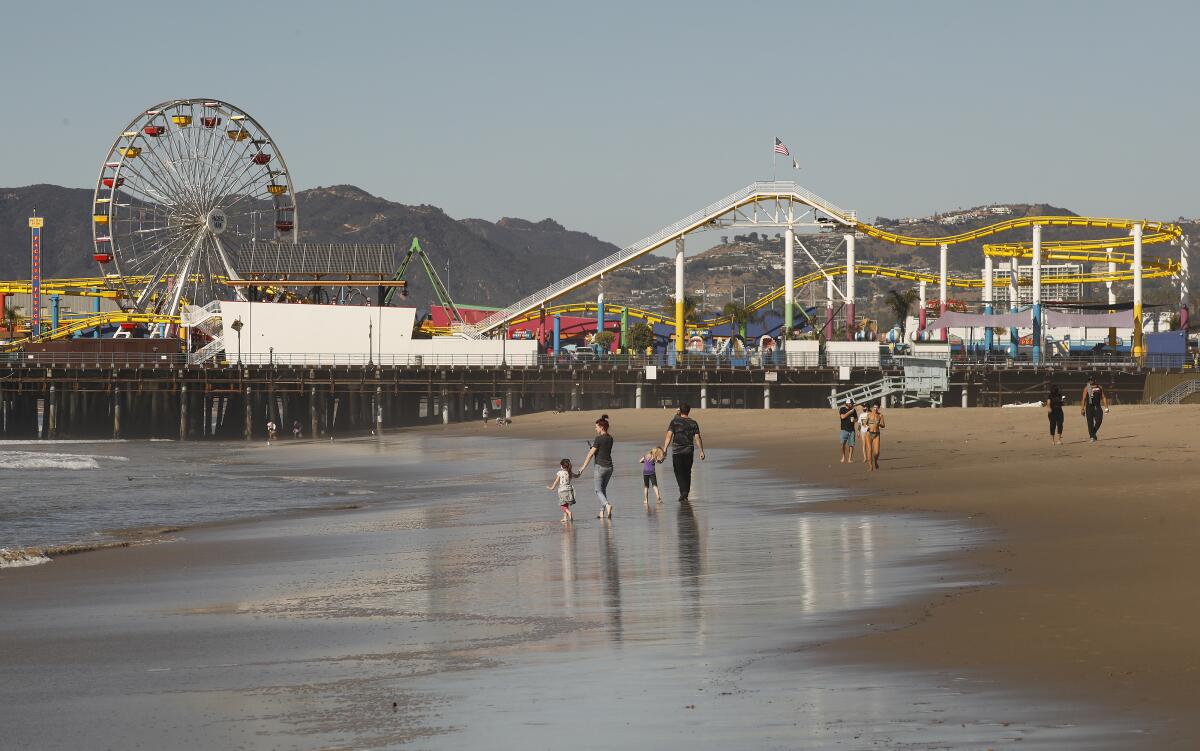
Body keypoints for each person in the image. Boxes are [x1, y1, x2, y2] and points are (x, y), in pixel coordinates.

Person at [662, 403, 705, 502]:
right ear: (689, 411)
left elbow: (669, 436)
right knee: (687, 472)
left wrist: (665, 448)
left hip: (677, 451)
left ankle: (683, 492)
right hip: (689, 451)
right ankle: (685, 493)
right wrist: (701, 451)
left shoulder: (674, 422)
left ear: (680, 411)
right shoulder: (693, 423)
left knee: (679, 472)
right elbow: (697, 437)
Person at [578, 414, 614, 518]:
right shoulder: (610, 438)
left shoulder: (598, 438)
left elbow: (590, 454)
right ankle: (602, 512)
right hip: (610, 467)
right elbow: (602, 451)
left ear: (601, 427)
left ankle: (607, 505)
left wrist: (583, 467)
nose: (595, 428)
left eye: (596, 426)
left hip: (600, 467)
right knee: (603, 490)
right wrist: (594, 450)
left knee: (598, 490)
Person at [547, 458, 580, 523]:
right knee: (566, 504)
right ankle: (565, 518)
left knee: (562, 505)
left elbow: (556, 481)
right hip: (569, 490)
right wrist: (580, 472)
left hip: (562, 491)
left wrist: (552, 488)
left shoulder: (559, 472)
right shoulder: (570, 472)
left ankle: (569, 512)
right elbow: (577, 476)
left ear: (562, 466)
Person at [1080, 377, 1110, 443]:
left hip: (1097, 406)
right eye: (1089, 380)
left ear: (1095, 380)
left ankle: (1093, 433)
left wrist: (1106, 407)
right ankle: (1092, 437)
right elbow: (1083, 399)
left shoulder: (1100, 387)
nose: (1090, 381)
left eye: (1091, 380)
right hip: (1089, 407)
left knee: (1099, 420)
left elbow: (1104, 397)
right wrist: (1082, 409)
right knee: (1090, 422)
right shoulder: (1087, 388)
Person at [865, 403, 885, 471]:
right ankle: (870, 466)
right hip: (869, 433)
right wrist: (867, 426)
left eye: (876, 407)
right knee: (869, 450)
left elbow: (883, 425)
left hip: (877, 434)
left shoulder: (880, 415)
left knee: (877, 452)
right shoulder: (869, 415)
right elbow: (865, 423)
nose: (875, 409)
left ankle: (875, 461)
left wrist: (879, 424)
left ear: (878, 408)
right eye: (874, 407)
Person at [838, 398, 858, 463]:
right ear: (848, 403)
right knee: (842, 443)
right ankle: (843, 456)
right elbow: (842, 417)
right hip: (844, 429)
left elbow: (856, 419)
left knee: (851, 445)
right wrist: (849, 412)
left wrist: (854, 420)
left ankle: (849, 458)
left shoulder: (853, 410)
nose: (852, 405)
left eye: (852, 404)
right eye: (851, 404)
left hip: (852, 430)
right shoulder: (842, 409)